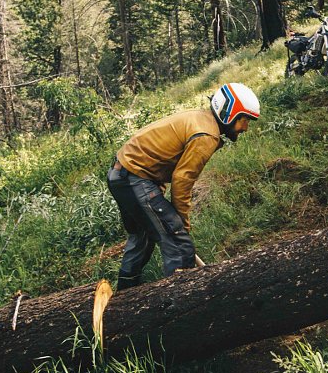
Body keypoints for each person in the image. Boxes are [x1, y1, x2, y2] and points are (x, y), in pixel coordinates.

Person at [108, 82, 261, 290]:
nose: (245, 127)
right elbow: (183, 180)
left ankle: (122, 298)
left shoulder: (201, 119)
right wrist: (182, 225)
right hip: (134, 177)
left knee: (143, 237)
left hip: (122, 175)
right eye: (244, 120)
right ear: (229, 113)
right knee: (179, 244)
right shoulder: (206, 135)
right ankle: (180, 306)